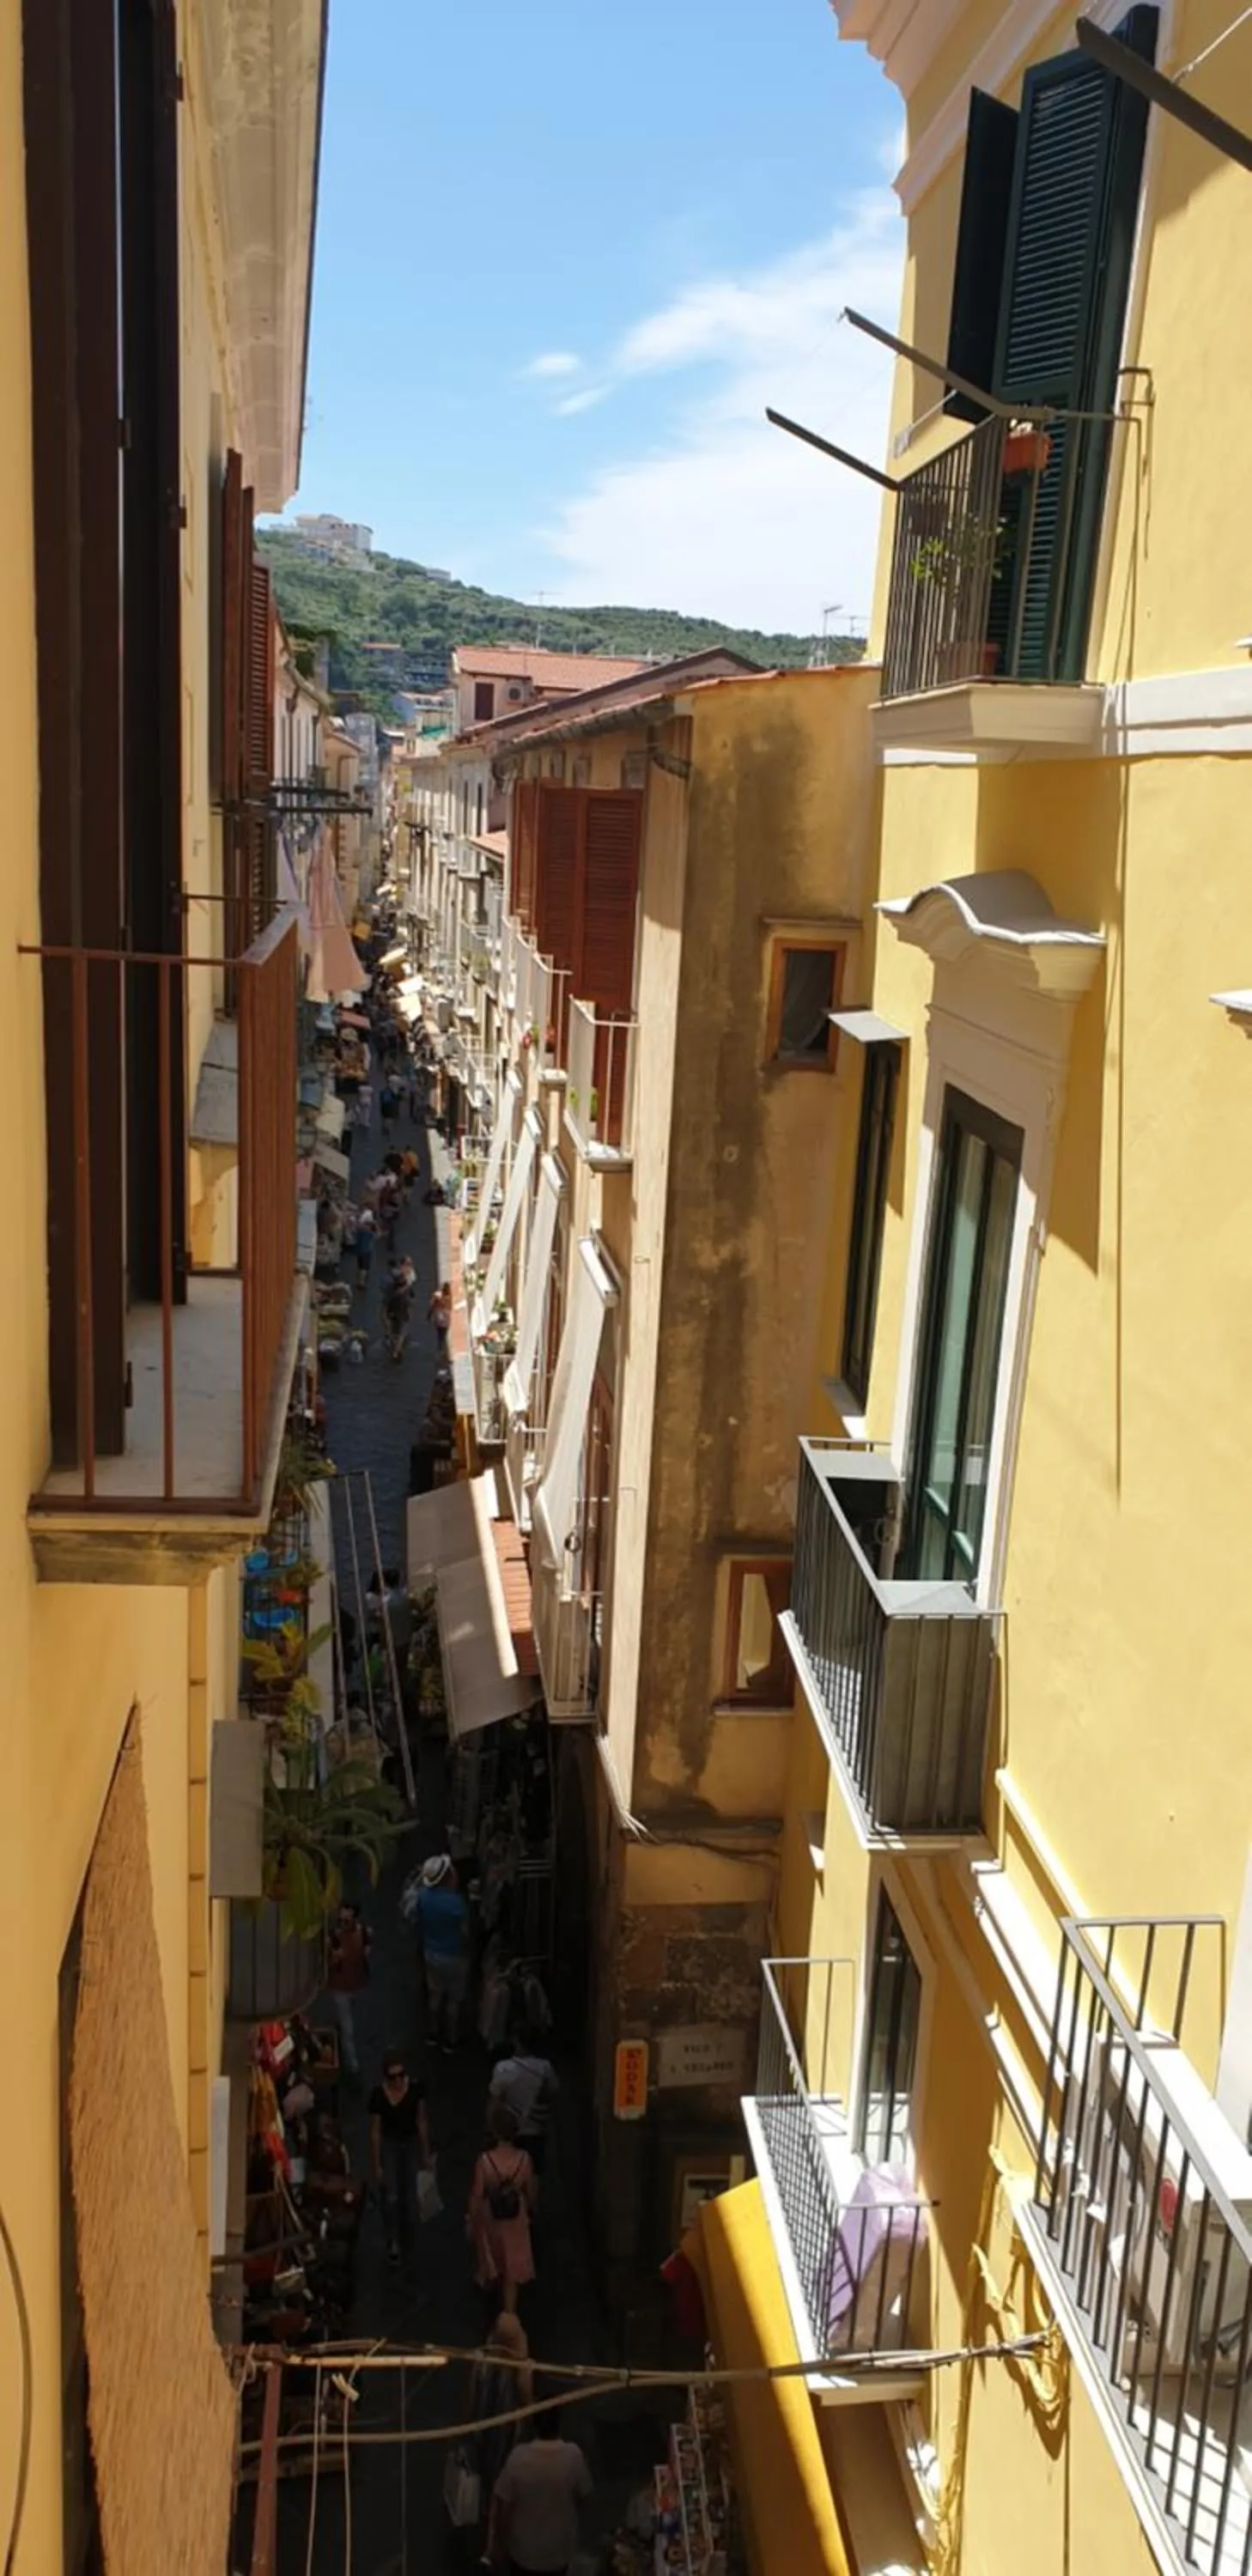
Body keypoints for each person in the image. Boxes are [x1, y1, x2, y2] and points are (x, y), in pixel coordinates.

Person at [487, 2407, 592, 2575]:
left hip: (523, 2552)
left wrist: (500, 2544)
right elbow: (583, 2495)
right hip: (558, 2551)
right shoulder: (573, 2456)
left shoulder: (518, 2457)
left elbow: (504, 2507)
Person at [466, 2102, 537, 2316]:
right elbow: (530, 2191)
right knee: (511, 2271)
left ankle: (491, 2304)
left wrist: (471, 2219)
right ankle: (510, 2315)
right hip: (515, 2219)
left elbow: (477, 2194)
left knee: (493, 2259)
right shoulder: (524, 2160)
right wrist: (530, 2211)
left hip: (491, 2217)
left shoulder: (485, 2161)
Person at [368, 2055, 431, 2267]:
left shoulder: (416, 2090)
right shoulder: (378, 2096)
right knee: (391, 2195)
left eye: (400, 2075)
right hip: (390, 2145)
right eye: (392, 2077)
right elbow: (376, 2132)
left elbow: (421, 2122)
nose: (397, 2081)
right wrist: (376, 2164)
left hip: (410, 2143)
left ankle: (404, 2229)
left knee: (408, 2192)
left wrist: (426, 2153)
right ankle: (393, 2239)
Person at [412, 1853, 470, 2050]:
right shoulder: (456, 1903)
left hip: (431, 1952)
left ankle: (432, 2032)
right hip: (454, 1955)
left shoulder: (423, 1897)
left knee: (435, 1993)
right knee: (453, 1999)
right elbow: (465, 1931)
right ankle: (451, 2039)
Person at [489, 2031, 557, 2177]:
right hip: (536, 2130)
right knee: (534, 2174)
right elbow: (553, 2091)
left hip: (509, 2131)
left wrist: (491, 2128)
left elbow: (494, 2102)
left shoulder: (503, 2068)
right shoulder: (545, 2067)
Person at [325, 1902, 371, 2079]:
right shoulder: (333, 1938)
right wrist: (333, 1959)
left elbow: (367, 1952)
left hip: (357, 1984)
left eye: (346, 1921)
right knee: (348, 2029)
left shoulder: (365, 1934)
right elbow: (324, 1966)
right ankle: (353, 2066)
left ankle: (340, 2029)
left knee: (348, 2019)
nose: (342, 1924)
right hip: (340, 1987)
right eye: (340, 1920)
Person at [382, 1262, 415, 1361]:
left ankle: (395, 1350)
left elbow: (386, 1304)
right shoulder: (406, 1292)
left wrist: (385, 1315)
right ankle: (396, 1351)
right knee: (401, 1333)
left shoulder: (391, 1292)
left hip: (393, 1314)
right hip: (402, 1315)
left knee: (394, 1333)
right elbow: (410, 1302)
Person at [356, 1203, 378, 1291]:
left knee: (359, 1266)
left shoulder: (360, 1229)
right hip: (366, 1251)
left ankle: (358, 1280)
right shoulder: (369, 1232)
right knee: (364, 1268)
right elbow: (376, 1237)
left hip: (359, 1250)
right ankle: (361, 1283)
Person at [429, 1279, 453, 1356]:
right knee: (443, 1334)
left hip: (438, 1316)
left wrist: (429, 1315)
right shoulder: (449, 1297)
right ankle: (441, 1349)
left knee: (439, 1334)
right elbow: (450, 1307)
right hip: (446, 1318)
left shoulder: (437, 1295)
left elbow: (432, 1306)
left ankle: (440, 1349)